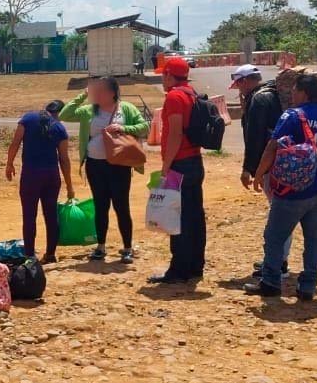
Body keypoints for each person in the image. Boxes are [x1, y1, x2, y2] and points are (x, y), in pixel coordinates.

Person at [244, 74, 317, 300]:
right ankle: (308, 286)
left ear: (304, 94)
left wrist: (259, 174)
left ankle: (270, 281)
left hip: (292, 191)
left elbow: (272, 147)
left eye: (295, 91)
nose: (291, 95)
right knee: (314, 239)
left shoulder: (292, 116)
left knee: (275, 236)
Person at [59, 76, 148, 264]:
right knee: (101, 206)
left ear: (112, 93)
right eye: (95, 91)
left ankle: (127, 248)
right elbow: (65, 114)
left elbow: (144, 127)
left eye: (101, 91)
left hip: (119, 166)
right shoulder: (89, 110)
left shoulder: (127, 109)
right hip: (95, 165)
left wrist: (123, 127)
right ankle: (100, 246)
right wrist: (83, 94)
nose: (97, 94)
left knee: (121, 206)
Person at [149, 57, 208, 285]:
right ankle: (195, 266)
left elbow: (174, 133)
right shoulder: (191, 93)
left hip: (180, 163)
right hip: (195, 161)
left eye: (162, 75)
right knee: (194, 216)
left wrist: (165, 167)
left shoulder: (174, 97)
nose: (162, 79)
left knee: (177, 217)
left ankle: (178, 269)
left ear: (169, 75)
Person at [230, 64, 291, 278]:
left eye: (238, 84)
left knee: (279, 214)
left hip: (273, 164)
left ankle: (278, 264)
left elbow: (254, 138)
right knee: (283, 212)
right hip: (291, 162)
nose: (238, 89)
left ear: (246, 81)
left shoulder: (258, 100)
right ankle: (278, 259)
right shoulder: (275, 94)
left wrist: (249, 169)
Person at [6, 100, 74, 265]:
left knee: (29, 216)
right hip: (51, 176)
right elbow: (64, 160)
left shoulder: (28, 119)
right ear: (61, 113)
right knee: (51, 215)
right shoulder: (59, 128)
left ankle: (29, 256)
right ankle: (50, 254)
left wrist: (9, 163)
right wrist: (70, 186)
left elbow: (15, 142)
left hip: (30, 175)